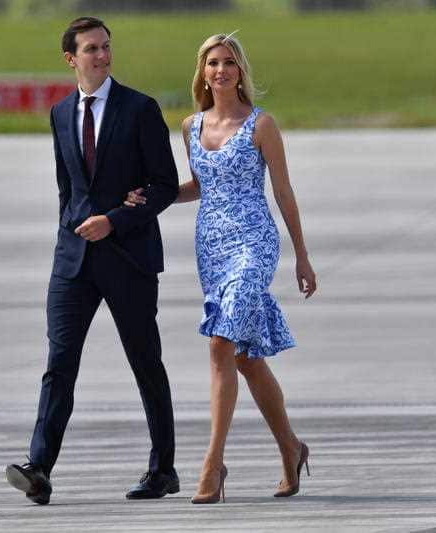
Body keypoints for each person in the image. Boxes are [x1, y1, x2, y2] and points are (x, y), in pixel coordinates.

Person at [124, 33, 317, 504]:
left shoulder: (261, 125)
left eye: (229, 62)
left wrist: (302, 255)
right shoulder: (190, 126)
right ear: (202, 71)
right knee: (247, 359)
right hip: (211, 246)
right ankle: (290, 447)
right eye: (213, 63)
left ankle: (212, 463)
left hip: (255, 242)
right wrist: (149, 198)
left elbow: (284, 192)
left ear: (240, 71)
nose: (221, 70)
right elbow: (197, 185)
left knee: (220, 343)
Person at [5, 16, 180, 504]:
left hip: (129, 257)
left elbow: (165, 184)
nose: (102, 55)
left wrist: (115, 220)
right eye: (91, 49)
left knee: (145, 362)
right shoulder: (61, 113)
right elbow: (69, 188)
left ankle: (162, 469)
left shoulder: (140, 109)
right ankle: (38, 468)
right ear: (70, 58)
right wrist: (74, 229)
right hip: (73, 261)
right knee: (59, 363)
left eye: (106, 47)